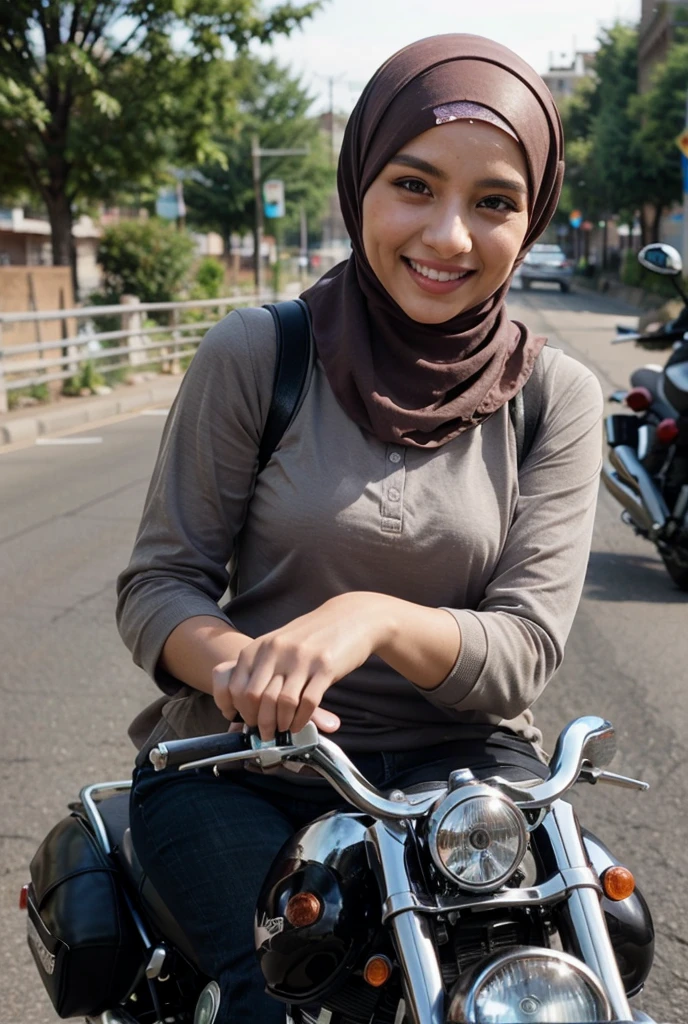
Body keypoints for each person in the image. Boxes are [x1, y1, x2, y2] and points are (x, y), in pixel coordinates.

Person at [117, 33, 603, 1023]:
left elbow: (524, 652)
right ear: (359, 187)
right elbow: (157, 587)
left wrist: (370, 617)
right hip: (239, 771)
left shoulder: (555, 397)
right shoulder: (259, 353)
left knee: (566, 976)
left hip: (465, 776)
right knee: (283, 992)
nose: (449, 236)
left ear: (535, 211)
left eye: (494, 202)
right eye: (413, 185)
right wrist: (242, 671)